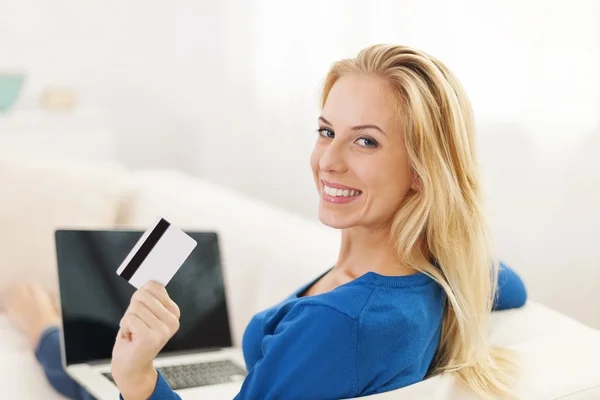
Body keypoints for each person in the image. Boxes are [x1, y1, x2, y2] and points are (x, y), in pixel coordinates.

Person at [5, 43, 528, 400]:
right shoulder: (439, 276)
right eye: (326, 131)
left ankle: (46, 333)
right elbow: (512, 287)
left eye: (366, 140)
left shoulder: (337, 324)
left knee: (70, 357)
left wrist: (139, 377)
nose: (330, 160)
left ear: (422, 171)